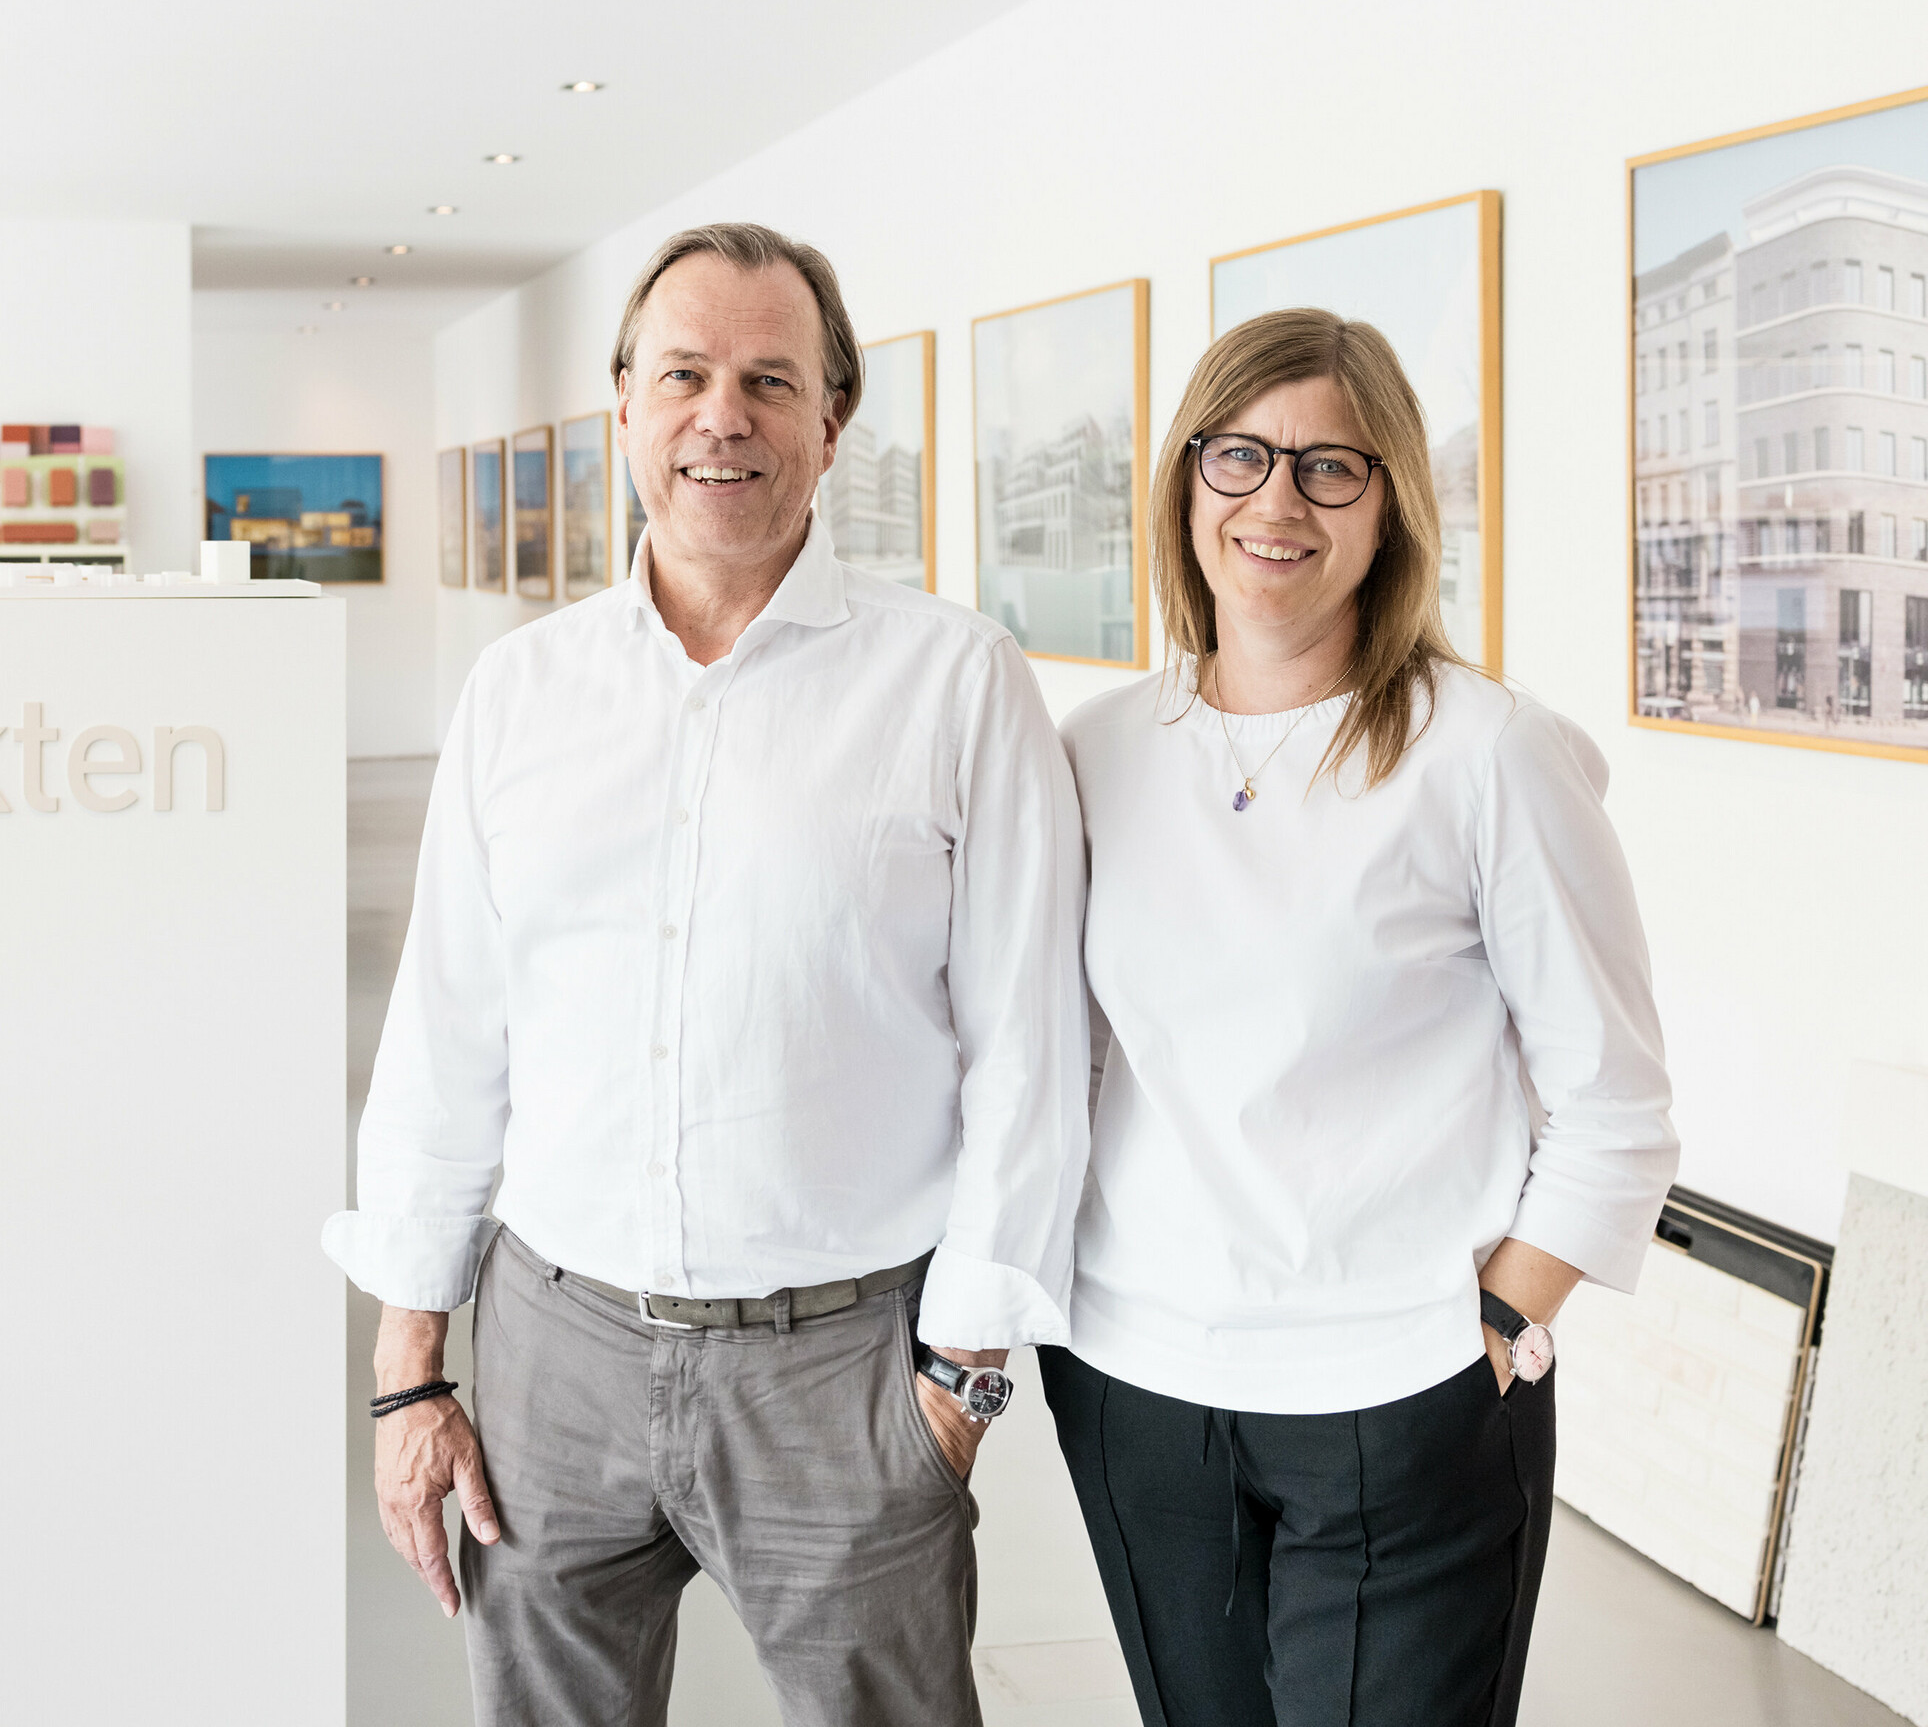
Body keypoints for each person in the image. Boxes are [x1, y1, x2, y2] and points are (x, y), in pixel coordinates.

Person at [323, 222, 1087, 1726]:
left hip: (848, 1373)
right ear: (624, 404)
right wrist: (412, 1372)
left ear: (831, 419)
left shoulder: (953, 680)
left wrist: (959, 1384)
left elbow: (1032, 1048)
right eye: (682, 375)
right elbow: (446, 1036)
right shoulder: (520, 692)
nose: (718, 415)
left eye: (766, 379)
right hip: (552, 1355)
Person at [1043, 308, 1680, 1727]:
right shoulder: (1091, 756)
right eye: (1242, 458)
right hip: (1141, 1391)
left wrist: (1501, 1321)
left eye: (1332, 467)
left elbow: (1618, 1104)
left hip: (1407, 1396)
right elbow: (1069, 1065)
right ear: (1184, 480)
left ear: (1390, 503)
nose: (1277, 501)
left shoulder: (1488, 753)